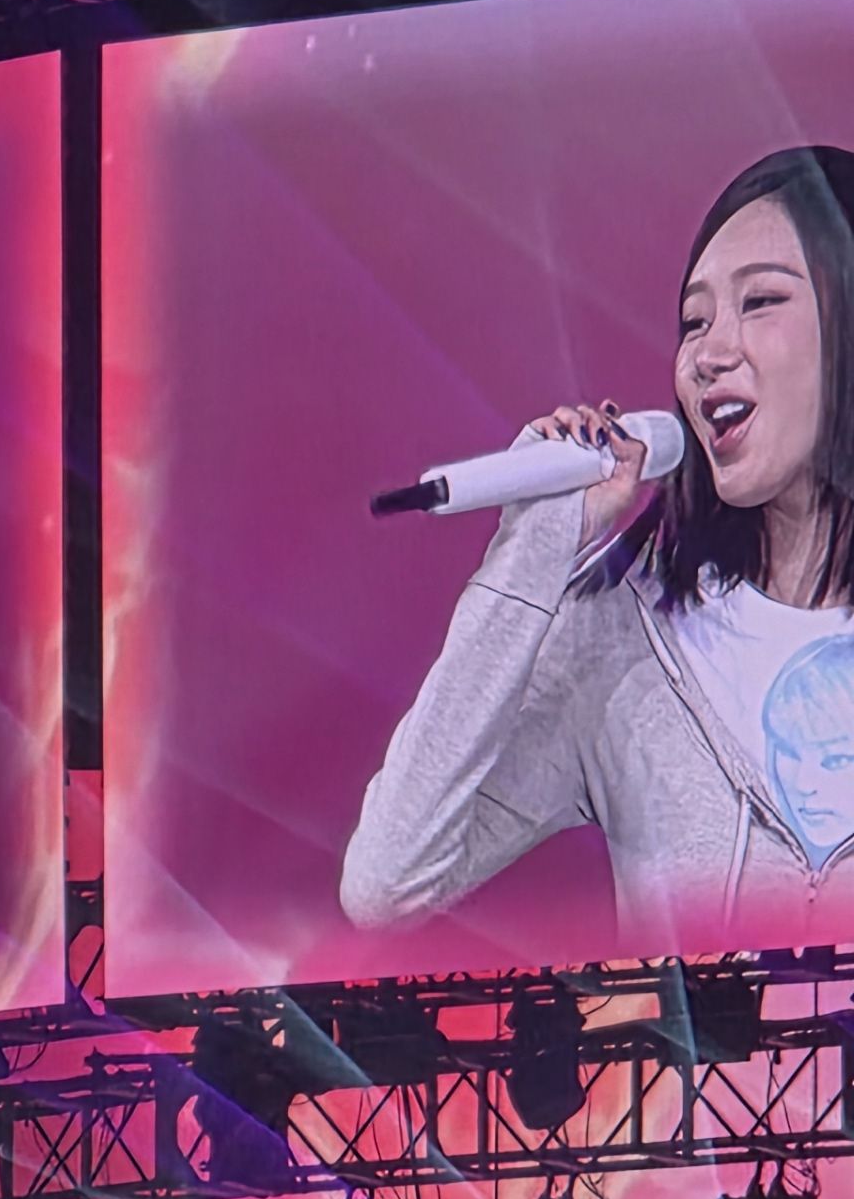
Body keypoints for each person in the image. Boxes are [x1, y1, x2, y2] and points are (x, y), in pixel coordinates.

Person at [346, 147, 854, 944]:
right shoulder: (620, 641)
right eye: (694, 322)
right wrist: (533, 548)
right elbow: (386, 883)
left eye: (760, 301)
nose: (709, 354)